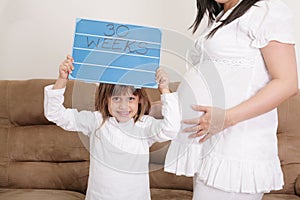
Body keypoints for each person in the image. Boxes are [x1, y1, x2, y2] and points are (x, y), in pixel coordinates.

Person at [164, 0, 298, 200]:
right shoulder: (223, 16)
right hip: (209, 144)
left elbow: (287, 83)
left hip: (236, 150)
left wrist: (226, 118)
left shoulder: (266, 12)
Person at [44, 55, 181, 200]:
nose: (123, 106)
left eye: (130, 99)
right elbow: (55, 114)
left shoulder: (144, 125)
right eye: (116, 99)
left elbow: (171, 129)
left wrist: (164, 90)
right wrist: (62, 79)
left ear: (139, 100)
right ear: (106, 99)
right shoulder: (96, 121)